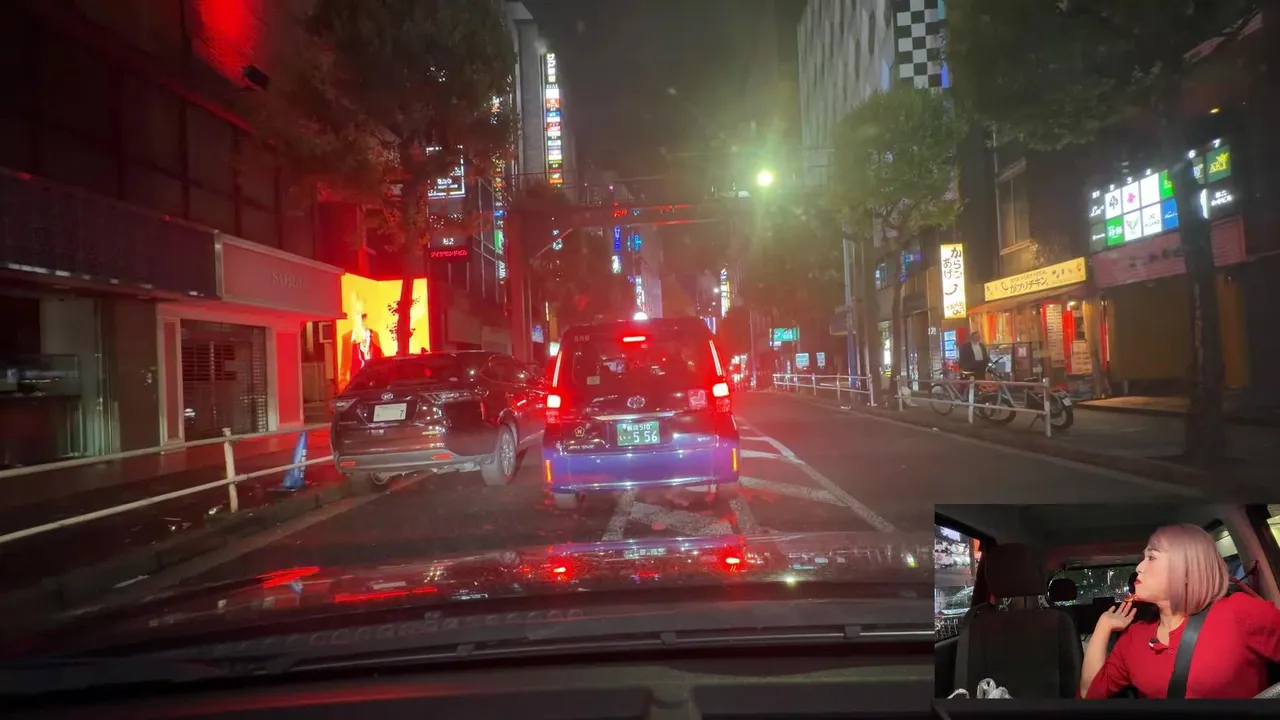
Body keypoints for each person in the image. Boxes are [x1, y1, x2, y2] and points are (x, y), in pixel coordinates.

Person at [1080, 523, 1280, 699]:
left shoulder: (1239, 611)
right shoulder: (1134, 636)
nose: (1139, 567)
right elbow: (1090, 694)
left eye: (1151, 557)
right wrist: (1103, 626)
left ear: (1186, 569)